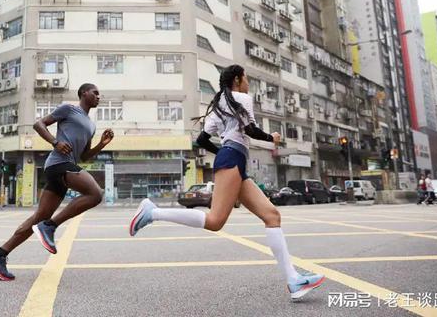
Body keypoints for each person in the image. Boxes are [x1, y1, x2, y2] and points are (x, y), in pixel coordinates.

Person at [129, 65, 325, 300]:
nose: (248, 83)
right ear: (237, 79)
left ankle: (293, 280)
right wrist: (270, 138)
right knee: (215, 221)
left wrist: (223, 149)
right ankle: (152, 213)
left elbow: (202, 139)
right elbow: (251, 130)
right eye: (246, 79)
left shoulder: (219, 107)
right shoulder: (241, 98)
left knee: (272, 216)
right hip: (232, 159)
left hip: (233, 159)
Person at [0, 83, 114, 281]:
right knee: (95, 194)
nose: (98, 96)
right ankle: (50, 226)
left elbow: (85, 156)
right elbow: (39, 124)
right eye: (95, 92)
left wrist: (101, 145)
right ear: (83, 93)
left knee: (38, 217)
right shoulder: (69, 109)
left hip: (66, 166)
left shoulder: (91, 125)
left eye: (99, 93)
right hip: (58, 163)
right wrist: (55, 142)